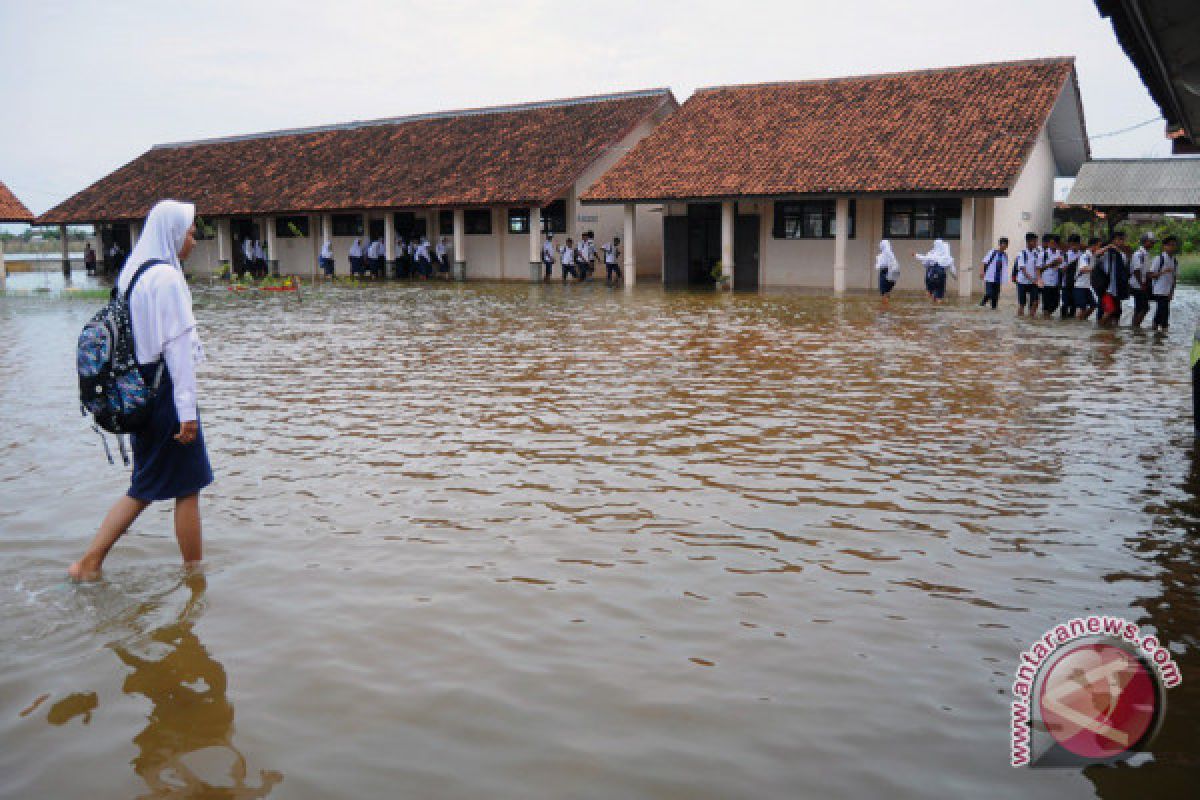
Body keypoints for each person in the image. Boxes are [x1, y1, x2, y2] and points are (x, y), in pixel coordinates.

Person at [68, 200, 212, 581]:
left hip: (136, 390)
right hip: (164, 394)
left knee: (144, 486)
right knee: (188, 487)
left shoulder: (133, 272)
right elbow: (178, 350)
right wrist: (188, 414)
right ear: (172, 233)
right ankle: (194, 577)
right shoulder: (166, 279)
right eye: (190, 231)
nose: (193, 240)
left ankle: (91, 562)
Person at [1096, 230, 1129, 327]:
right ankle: (1099, 330)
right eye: (1119, 239)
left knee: (1116, 315)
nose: (1121, 242)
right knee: (1109, 310)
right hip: (1106, 288)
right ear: (1113, 241)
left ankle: (1111, 335)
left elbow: (1125, 270)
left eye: (1123, 240)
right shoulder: (1106, 253)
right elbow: (1096, 254)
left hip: (1117, 289)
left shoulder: (1122, 255)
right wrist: (1108, 247)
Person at [1148, 235, 1179, 333]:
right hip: (1158, 289)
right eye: (1169, 245)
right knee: (1162, 310)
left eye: (1173, 245)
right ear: (1164, 246)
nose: (1172, 247)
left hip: (1167, 291)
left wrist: (1172, 292)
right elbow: (1151, 274)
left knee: (1165, 312)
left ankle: (1159, 332)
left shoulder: (1174, 261)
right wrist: (1163, 272)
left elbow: (1174, 278)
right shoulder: (1159, 259)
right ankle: (1158, 329)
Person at [1129, 232, 1154, 328]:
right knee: (1145, 308)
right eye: (1151, 242)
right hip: (1137, 285)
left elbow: (1145, 271)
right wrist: (1141, 284)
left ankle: (1134, 326)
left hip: (1141, 284)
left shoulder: (1146, 254)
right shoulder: (1139, 254)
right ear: (1145, 242)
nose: (1152, 244)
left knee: (1139, 308)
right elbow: (1136, 270)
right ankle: (1135, 326)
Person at [1013, 233, 1040, 316]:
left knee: (1035, 302)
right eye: (1034, 241)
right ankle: (1021, 320)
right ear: (1028, 242)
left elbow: (1038, 267)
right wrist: (1033, 280)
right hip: (1022, 282)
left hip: (1034, 282)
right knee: (1022, 304)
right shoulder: (1022, 254)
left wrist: (1038, 279)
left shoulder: (1037, 253)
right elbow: (1023, 270)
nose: (1036, 243)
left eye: (1036, 241)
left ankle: (1031, 319)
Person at [978, 237, 1008, 310]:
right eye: (1003, 244)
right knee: (989, 293)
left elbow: (1004, 268)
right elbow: (984, 262)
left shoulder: (1005, 255)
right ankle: (982, 303)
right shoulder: (992, 252)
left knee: (995, 297)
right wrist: (982, 272)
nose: (1004, 246)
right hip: (990, 277)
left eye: (1006, 245)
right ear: (1000, 244)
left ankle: (993, 310)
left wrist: (1005, 278)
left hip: (998, 279)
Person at [1073, 238, 1099, 320]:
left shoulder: (1092, 255)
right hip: (1080, 286)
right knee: (1082, 308)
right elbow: (1083, 269)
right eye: (1098, 246)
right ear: (1094, 246)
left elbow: (1100, 251)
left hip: (1087, 286)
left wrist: (1109, 246)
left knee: (1093, 305)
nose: (1099, 248)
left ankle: (1082, 320)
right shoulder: (1084, 256)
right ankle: (1078, 323)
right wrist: (1094, 269)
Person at [1037, 235, 1062, 317]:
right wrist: (1051, 264)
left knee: (1056, 303)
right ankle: (1046, 320)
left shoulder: (1060, 254)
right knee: (1046, 305)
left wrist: (1059, 265)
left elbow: (1061, 267)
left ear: (1057, 244)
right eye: (1051, 243)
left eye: (1054, 243)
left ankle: (1046, 317)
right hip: (1046, 283)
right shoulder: (1043, 254)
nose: (1052, 244)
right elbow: (1038, 268)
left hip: (1055, 283)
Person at [1060, 235, 1081, 319]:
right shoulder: (1065, 255)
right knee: (1064, 305)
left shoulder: (1082, 255)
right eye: (1071, 244)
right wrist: (1071, 264)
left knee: (1074, 305)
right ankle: (1063, 322)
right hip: (1066, 283)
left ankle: (1071, 324)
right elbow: (1062, 270)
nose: (1073, 246)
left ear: (1079, 244)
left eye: (1075, 244)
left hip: (1077, 284)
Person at [876, 239, 900, 304]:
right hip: (893, 275)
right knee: (887, 292)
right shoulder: (891, 253)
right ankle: (887, 307)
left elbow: (880, 266)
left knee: (884, 293)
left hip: (885, 272)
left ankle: (885, 308)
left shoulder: (885, 253)